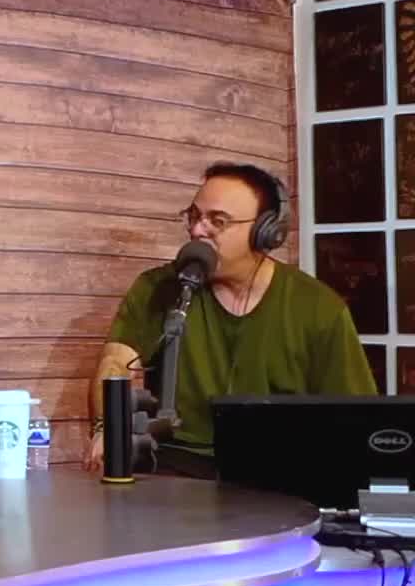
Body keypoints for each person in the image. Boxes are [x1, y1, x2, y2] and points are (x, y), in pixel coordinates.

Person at [83, 161, 375, 478]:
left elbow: (356, 416)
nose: (197, 230)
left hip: (279, 472)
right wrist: (106, 426)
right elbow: (115, 362)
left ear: (266, 233)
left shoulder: (319, 308)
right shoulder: (158, 287)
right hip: (176, 465)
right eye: (194, 216)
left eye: (217, 221)